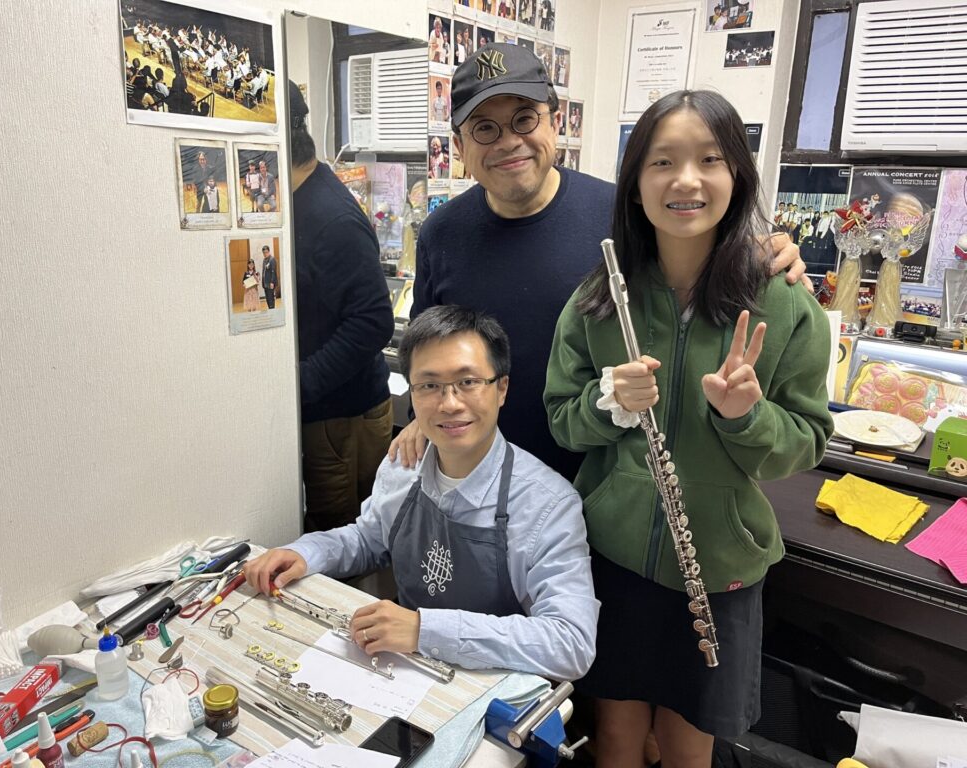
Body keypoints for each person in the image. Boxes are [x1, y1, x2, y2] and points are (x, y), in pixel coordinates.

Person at [543, 89, 833, 767]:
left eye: (709, 160)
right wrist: (608, 404)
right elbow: (562, 420)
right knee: (615, 739)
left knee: (686, 747)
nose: (686, 180)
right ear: (635, 182)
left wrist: (746, 418)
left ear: (737, 176)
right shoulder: (597, 298)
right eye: (662, 162)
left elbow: (807, 440)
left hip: (718, 569)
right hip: (611, 558)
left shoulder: (784, 301)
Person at [390, 43, 806, 483]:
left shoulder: (624, 217)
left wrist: (753, 247)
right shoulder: (441, 233)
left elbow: (695, 246)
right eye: (484, 129)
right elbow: (428, 351)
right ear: (459, 146)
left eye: (525, 119)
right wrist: (421, 417)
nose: (509, 141)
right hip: (483, 479)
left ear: (555, 122)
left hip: (602, 483)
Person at [243, 306, 599, 680]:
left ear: (501, 389)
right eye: (429, 385)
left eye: (468, 382)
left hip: (490, 687)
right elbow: (368, 539)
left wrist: (424, 630)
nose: (449, 403)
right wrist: (305, 552)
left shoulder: (547, 504)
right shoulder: (403, 465)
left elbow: (571, 643)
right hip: (401, 671)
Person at [287, 81, 395, 532]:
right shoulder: (296, 199)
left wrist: (299, 383)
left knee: (343, 538)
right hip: (326, 412)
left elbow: (374, 321)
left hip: (343, 418)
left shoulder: (329, 216)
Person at [260, 244, 277, 310]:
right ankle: (270, 310)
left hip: (270, 283)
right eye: (264, 253)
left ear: (269, 251)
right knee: (267, 299)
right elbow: (264, 272)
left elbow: (273, 271)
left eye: (266, 252)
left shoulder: (272, 259)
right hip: (265, 284)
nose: (265, 254)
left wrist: (272, 282)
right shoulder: (264, 260)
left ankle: (273, 312)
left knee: (271, 299)